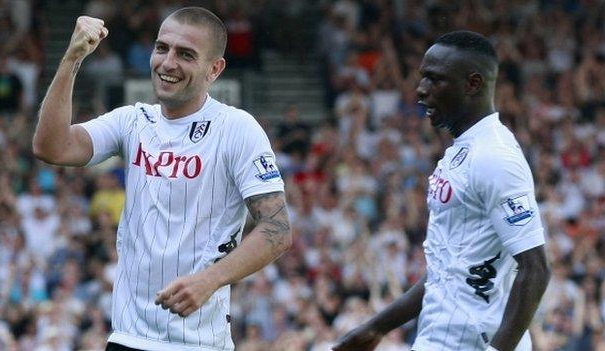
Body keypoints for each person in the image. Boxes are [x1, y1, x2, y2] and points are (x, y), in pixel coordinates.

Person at [32, 7, 292, 351]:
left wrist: (210, 281)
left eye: (185, 54)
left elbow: (277, 229)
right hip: (126, 339)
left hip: (199, 344)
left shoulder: (237, 128)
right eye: (161, 48)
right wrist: (72, 58)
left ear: (214, 69)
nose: (168, 63)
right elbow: (51, 147)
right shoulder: (133, 120)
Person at [333, 31, 550, 351]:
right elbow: (446, 273)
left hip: (470, 341)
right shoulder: (461, 152)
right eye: (423, 78)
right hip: (441, 336)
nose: (421, 90)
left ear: (473, 83)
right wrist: (376, 328)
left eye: (435, 80)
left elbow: (536, 268)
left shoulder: (494, 157)